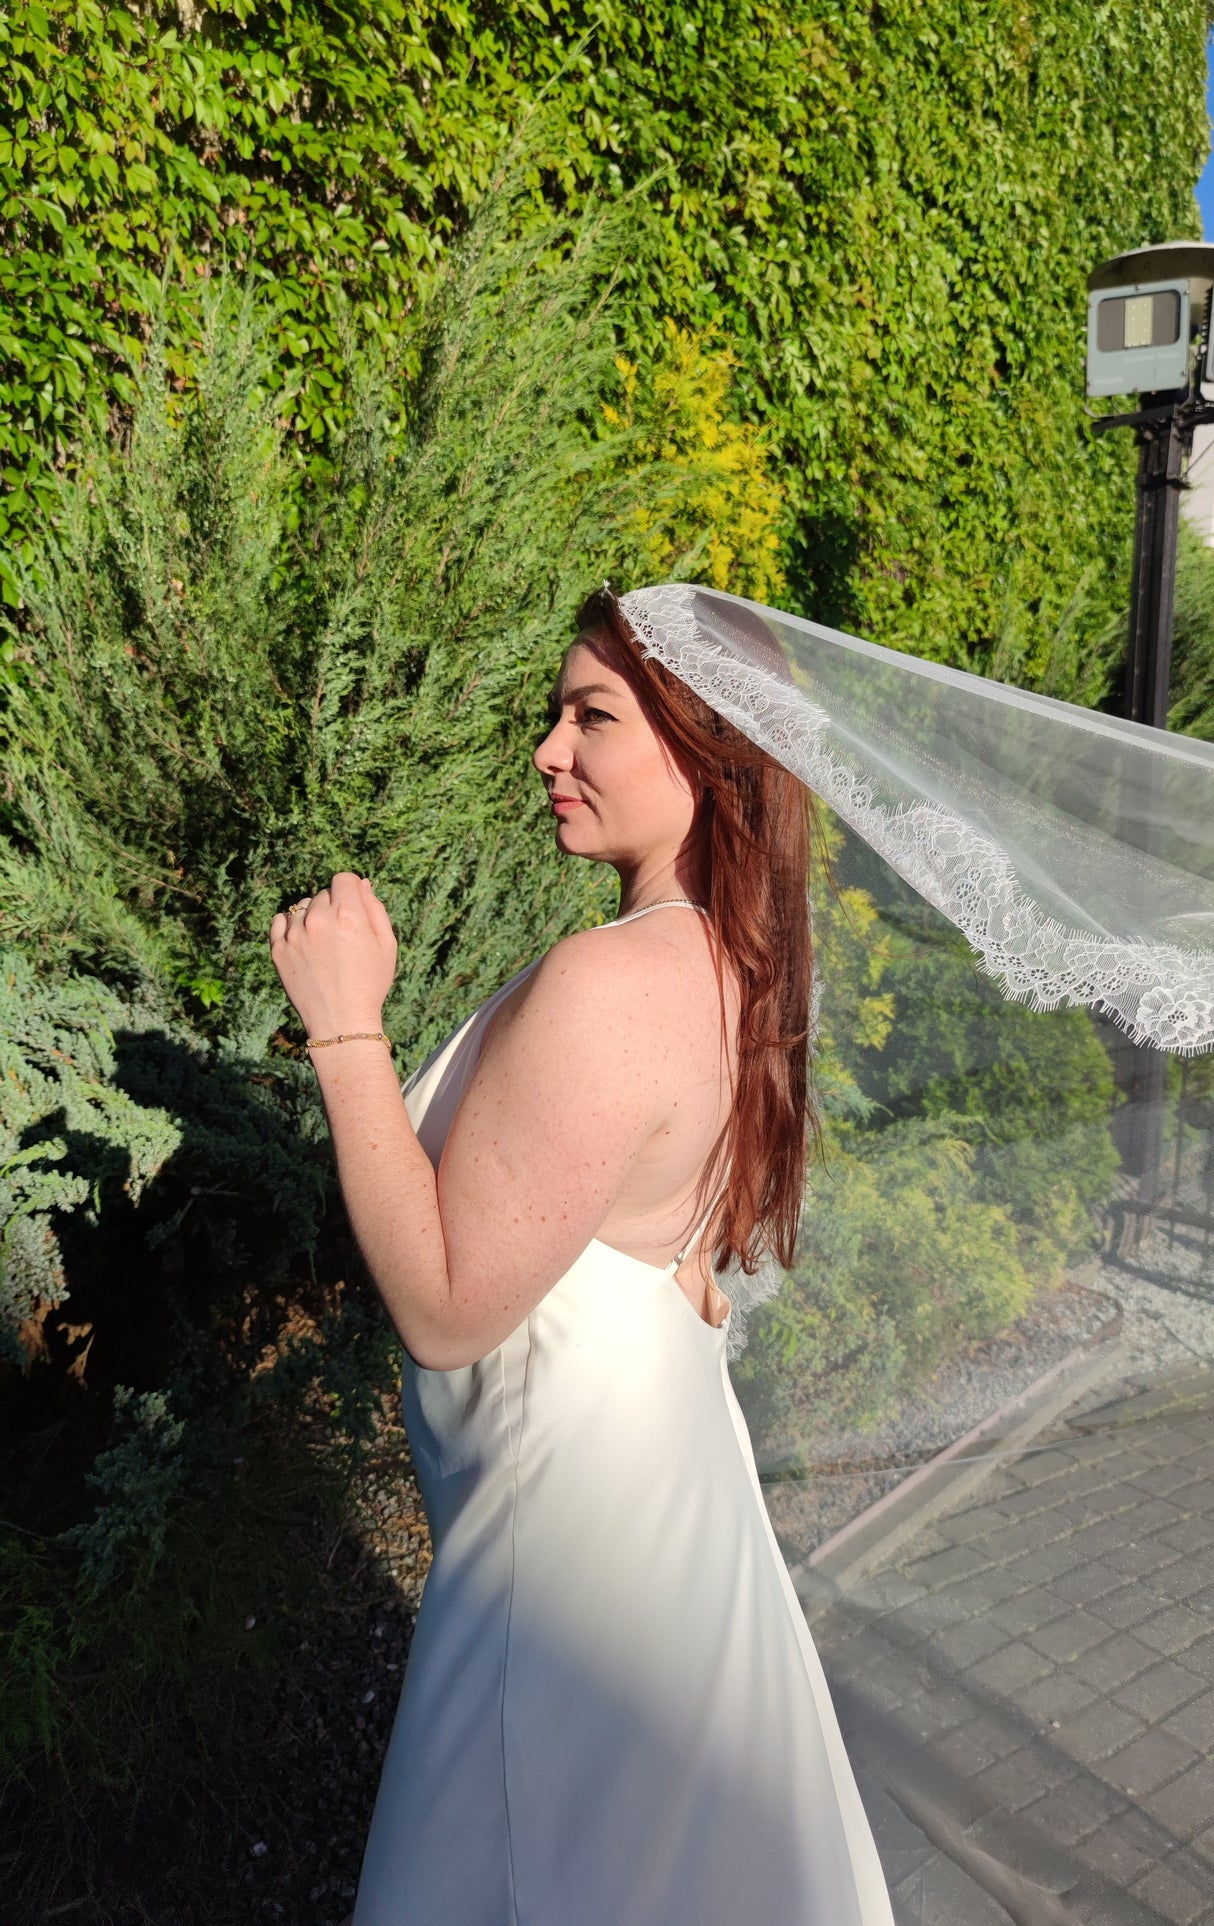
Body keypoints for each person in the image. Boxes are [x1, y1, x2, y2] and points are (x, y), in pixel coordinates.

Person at [269, 585, 895, 1924]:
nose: (548, 748)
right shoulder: (741, 963)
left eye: (591, 716)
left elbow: (444, 1309)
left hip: (571, 1553)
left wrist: (344, 1028)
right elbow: (686, 1233)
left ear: (707, 746)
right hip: (662, 1502)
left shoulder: (611, 982)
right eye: (557, 712)